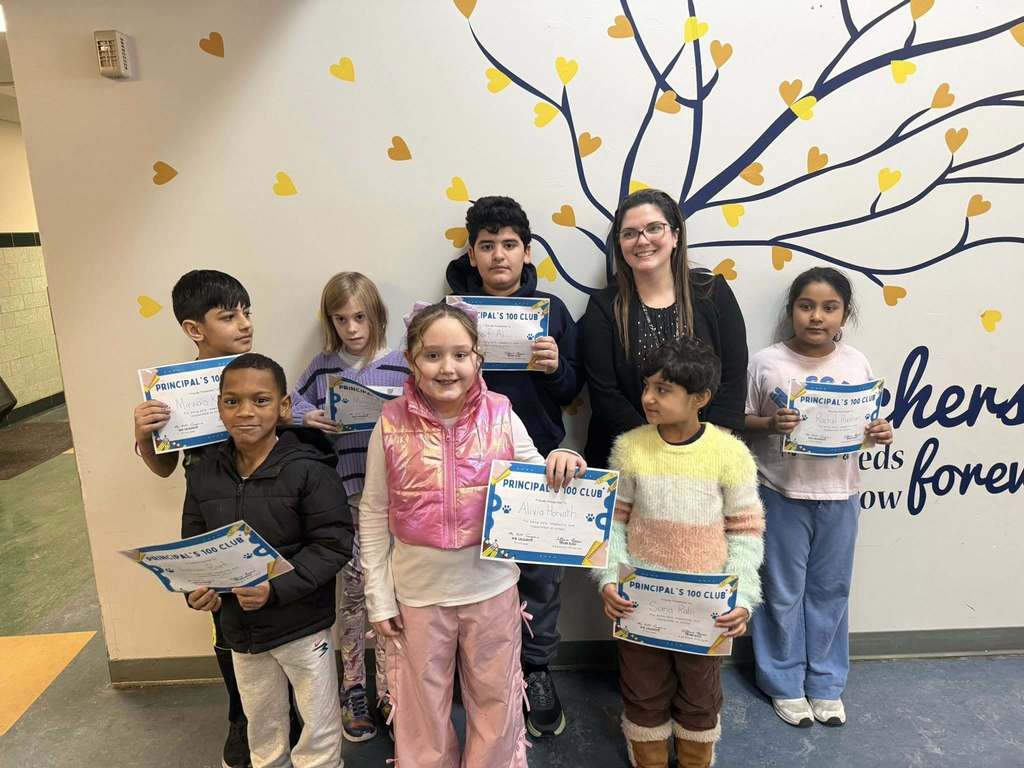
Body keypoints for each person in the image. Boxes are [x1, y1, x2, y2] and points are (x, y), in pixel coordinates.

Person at [359, 301, 587, 768]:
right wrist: (379, 598)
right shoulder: (390, 422)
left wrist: (563, 460)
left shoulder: (501, 413)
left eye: (460, 354)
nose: (448, 368)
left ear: (478, 359)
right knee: (422, 704)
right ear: (412, 362)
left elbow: (538, 472)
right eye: (433, 355)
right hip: (418, 595)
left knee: (496, 699)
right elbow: (373, 511)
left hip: (491, 589)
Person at [445, 195, 581, 737]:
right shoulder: (452, 314)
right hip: (466, 462)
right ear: (473, 255)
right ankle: (481, 677)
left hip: (537, 462)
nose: (498, 255)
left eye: (509, 245)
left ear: (526, 253)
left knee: (540, 580)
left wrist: (554, 368)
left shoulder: (553, 310)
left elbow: (574, 391)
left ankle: (537, 670)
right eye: (487, 246)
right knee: (472, 574)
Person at [596, 335, 764, 768]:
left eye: (663, 390)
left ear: (700, 398)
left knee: (700, 693)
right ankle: (648, 756)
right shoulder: (629, 447)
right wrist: (610, 578)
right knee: (642, 687)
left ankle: (694, 758)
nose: (648, 398)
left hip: (706, 608)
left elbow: (746, 533)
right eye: (647, 386)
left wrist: (742, 597)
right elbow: (612, 524)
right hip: (639, 603)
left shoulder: (731, 455)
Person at [182, 353, 354, 768]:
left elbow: (333, 545)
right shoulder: (204, 471)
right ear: (219, 406)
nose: (245, 412)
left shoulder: (310, 470)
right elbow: (194, 540)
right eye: (232, 401)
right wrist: (194, 588)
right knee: (261, 721)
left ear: (284, 407)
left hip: (302, 625)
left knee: (318, 726)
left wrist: (275, 591)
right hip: (241, 629)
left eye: (260, 400)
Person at [744, 267, 893, 728]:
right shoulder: (766, 361)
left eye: (829, 307)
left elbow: (869, 423)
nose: (816, 317)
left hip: (841, 493)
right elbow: (741, 418)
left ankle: (826, 683)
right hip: (781, 492)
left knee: (831, 590)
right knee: (782, 592)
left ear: (844, 313)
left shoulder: (856, 362)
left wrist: (879, 431)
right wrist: (771, 425)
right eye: (806, 305)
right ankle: (783, 682)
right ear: (791, 309)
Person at [131, 269, 267, 767]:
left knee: (272, 606)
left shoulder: (259, 372)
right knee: (225, 618)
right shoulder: (170, 390)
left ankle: (284, 706)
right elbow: (165, 466)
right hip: (209, 514)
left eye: (247, 312)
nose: (244, 323)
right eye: (228, 316)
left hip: (266, 508)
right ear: (195, 329)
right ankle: (241, 715)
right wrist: (146, 434)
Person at [290, 271, 409, 741]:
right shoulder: (323, 367)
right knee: (356, 595)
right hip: (347, 498)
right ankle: (355, 687)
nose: (352, 328)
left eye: (360, 317)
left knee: (397, 596)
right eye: (341, 320)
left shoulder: (402, 363)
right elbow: (288, 403)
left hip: (400, 501)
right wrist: (309, 416)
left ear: (375, 315)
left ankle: (393, 688)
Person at [579, 188, 748, 469]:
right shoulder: (604, 306)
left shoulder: (712, 293)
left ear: (675, 235)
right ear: (620, 244)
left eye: (654, 228)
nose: (642, 240)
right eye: (629, 233)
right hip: (631, 458)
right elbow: (605, 393)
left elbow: (733, 375)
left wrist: (703, 446)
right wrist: (660, 452)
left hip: (706, 459)